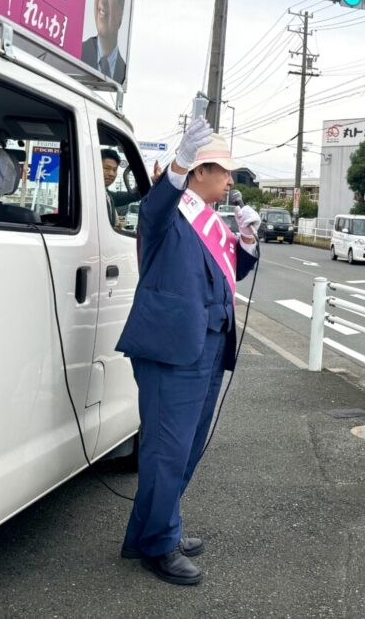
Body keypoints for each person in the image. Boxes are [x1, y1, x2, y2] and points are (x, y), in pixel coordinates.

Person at [117, 116, 261, 585]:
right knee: (167, 449)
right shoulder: (168, 210)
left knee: (187, 446)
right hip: (171, 349)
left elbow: (228, 272)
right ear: (199, 172)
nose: (229, 179)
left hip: (210, 343)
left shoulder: (210, 219)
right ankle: (160, 542)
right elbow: (153, 207)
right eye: (223, 171)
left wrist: (247, 241)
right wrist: (177, 162)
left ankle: (152, 531)